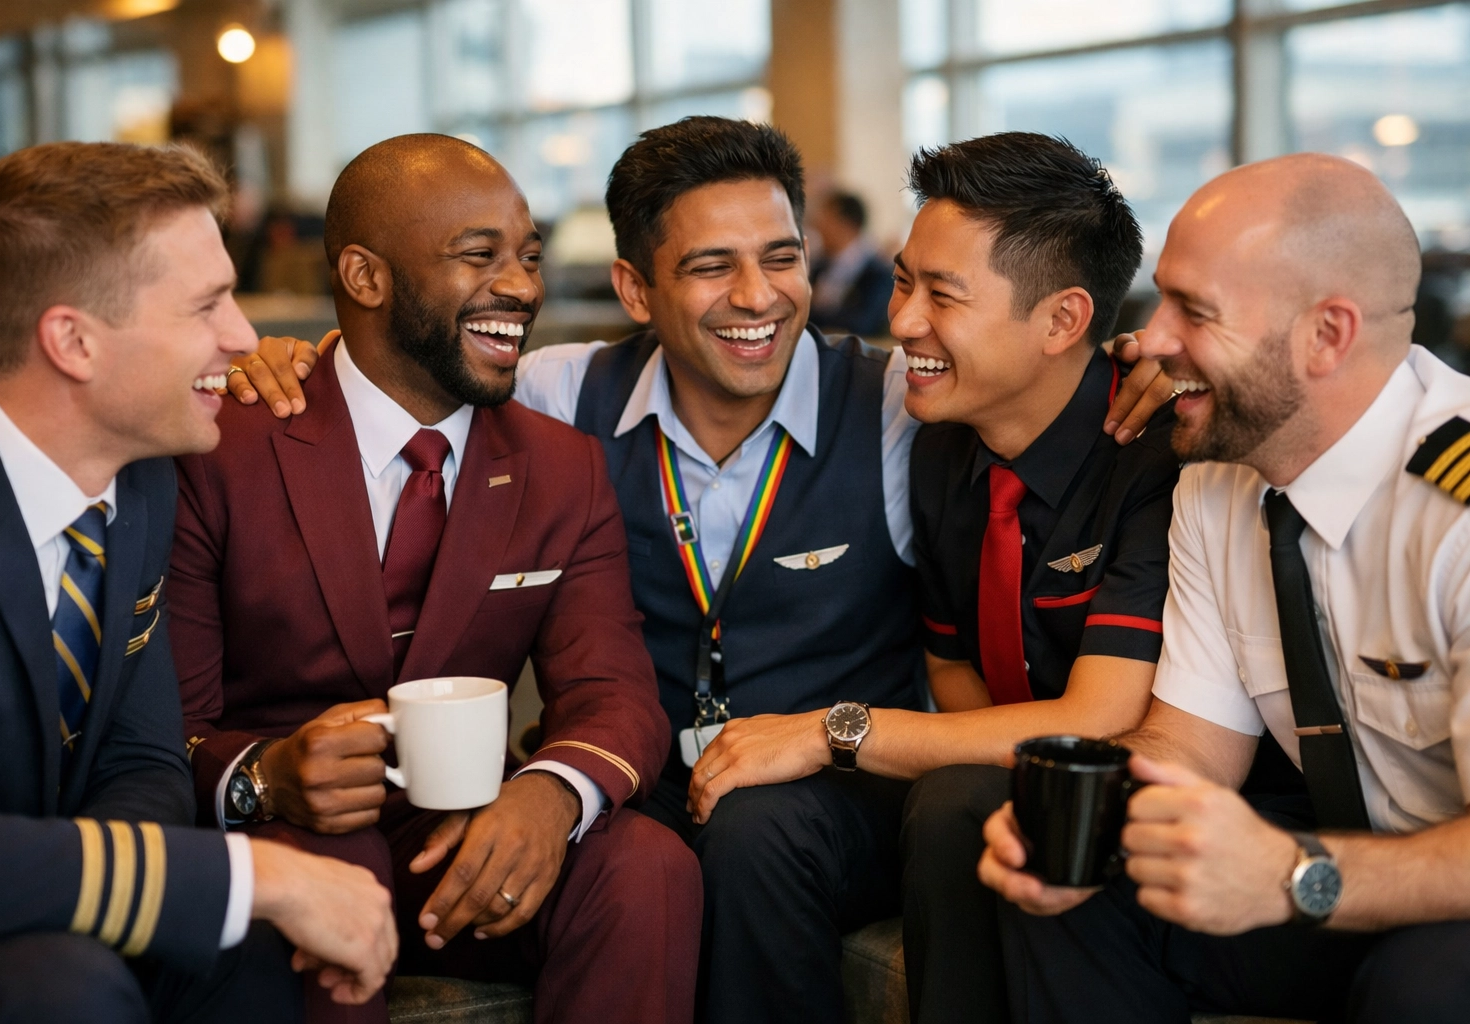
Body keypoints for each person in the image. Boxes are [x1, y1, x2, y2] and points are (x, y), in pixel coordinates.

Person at [228, 117, 1173, 1024]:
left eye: (783, 257)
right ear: (635, 290)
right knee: (643, 854)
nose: (759, 297)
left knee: (754, 834)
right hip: (644, 781)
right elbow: (409, 372)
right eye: (712, 266)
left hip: (829, 805)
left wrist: (1148, 364)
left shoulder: (898, 403)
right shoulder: (560, 395)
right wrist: (292, 364)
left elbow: (1029, 379)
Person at [169, 133, 701, 1024]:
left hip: (461, 832)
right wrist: (268, 775)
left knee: (648, 866)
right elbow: (162, 731)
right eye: (479, 255)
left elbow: (616, 696)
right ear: (366, 277)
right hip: (284, 834)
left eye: (529, 256)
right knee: (334, 872)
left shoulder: (561, 469)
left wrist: (551, 792)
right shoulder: (222, 444)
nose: (522, 287)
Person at [684, 131, 1183, 1023]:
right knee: (819, 816)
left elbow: (1101, 718)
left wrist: (836, 730)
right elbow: (951, 664)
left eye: (942, 295)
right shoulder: (940, 441)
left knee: (960, 801)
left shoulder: (1155, 455)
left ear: (1063, 321)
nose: (905, 320)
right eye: (903, 281)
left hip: (1146, 789)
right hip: (987, 774)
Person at [979, 153, 1470, 1024]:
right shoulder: (1220, 477)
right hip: (1341, 869)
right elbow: (1194, 743)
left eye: (1194, 311)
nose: (1148, 340)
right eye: (1160, 299)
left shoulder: (1454, 512)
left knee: (1424, 985)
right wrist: (1089, 816)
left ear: (1327, 335)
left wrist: (1290, 874)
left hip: (1441, 898)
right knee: (1063, 879)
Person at [0, 141, 396, 1023]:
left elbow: (140, 760)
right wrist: (242, 875)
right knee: (65, 987)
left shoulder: (141, 480)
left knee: (249, 952)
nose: (245, 337)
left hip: (44, 910)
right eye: (206, 305)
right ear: (73, 341)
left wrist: (132, 902)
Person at [809, 189, 895, 337]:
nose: (819, 226)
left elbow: (864, 323)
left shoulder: (878, 272)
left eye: (826, 219)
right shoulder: (819, 265)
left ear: (847, 224)